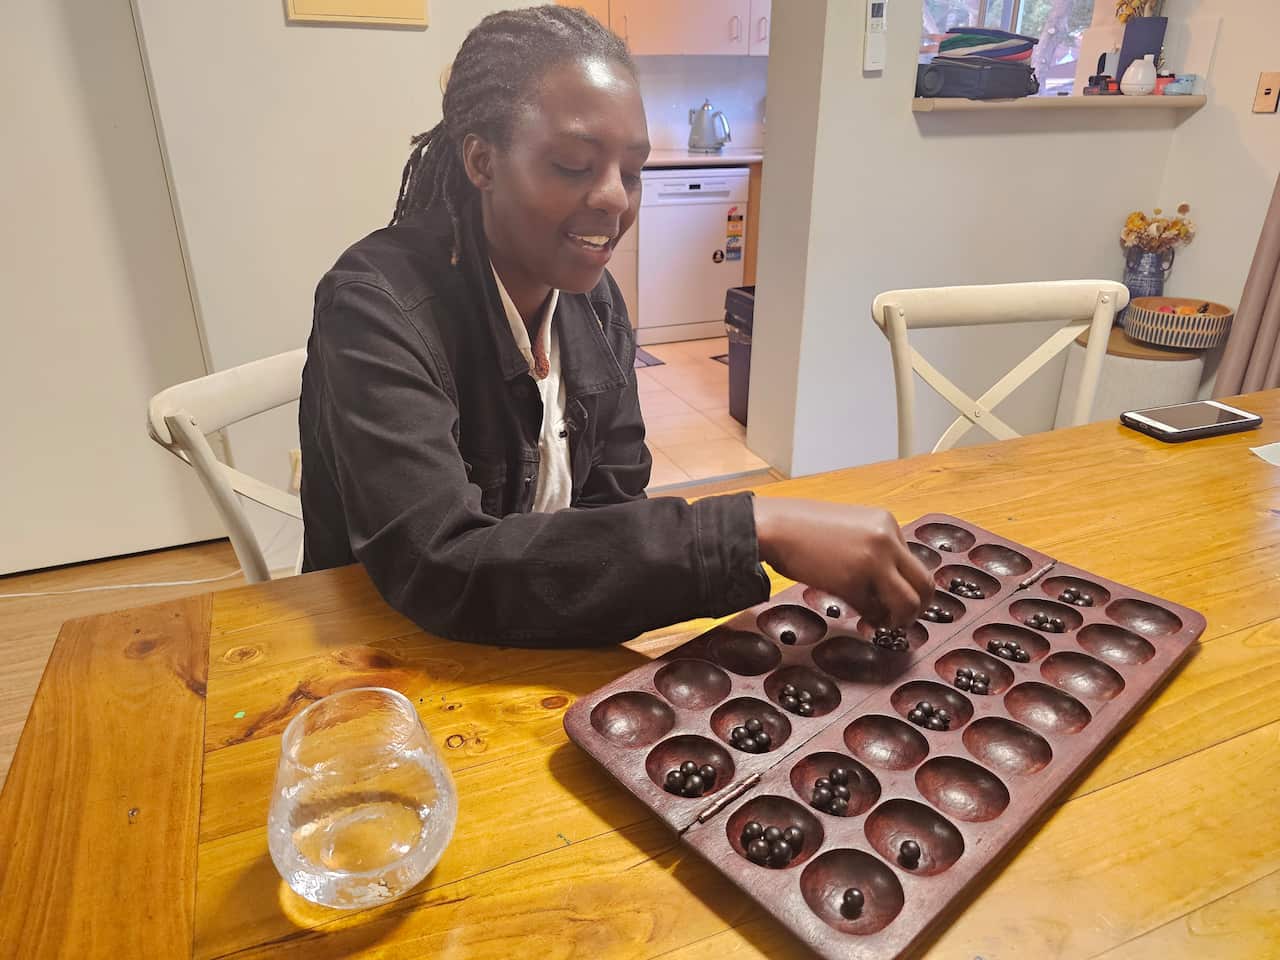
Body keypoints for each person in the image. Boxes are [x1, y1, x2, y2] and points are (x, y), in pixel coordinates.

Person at [298, 5, 932, 647]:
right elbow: (437, 563)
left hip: (538, 644)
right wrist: (752, 527)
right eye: (575, 165)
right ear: (482, 162)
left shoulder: (593, 303)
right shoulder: (374, 307)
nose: (615, 198)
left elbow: (615, 507)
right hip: (386, 663)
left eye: (632, 171)